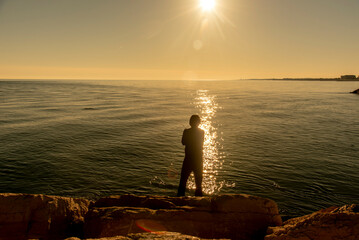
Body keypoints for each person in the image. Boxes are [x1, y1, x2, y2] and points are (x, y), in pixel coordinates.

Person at [177, 115, 205, 197]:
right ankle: (199, 199)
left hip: (188, 158)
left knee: (183, 180)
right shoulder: (201, 132)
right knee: (198, 181)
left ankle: (180, 198)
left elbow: (183, 142)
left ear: (190, 122)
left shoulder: (186, 131)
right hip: (198, 159)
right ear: (199, 123)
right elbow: (200, 144)